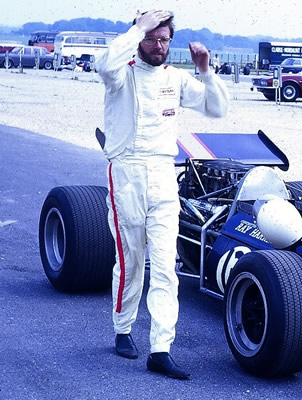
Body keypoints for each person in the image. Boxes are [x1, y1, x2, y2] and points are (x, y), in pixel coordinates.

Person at [95, 10, 229, 380]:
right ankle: (123, 329)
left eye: (164, 39)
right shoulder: (121, 72)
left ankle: (160, 348)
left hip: (163, 174)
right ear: (139, 39)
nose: (159, 46)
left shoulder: (176, 78)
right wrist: (135, 28)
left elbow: (217, 108)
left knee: (166, 266)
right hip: (126, 172)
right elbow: (104, 65)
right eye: (152, 39)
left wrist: (205, 69)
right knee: (131, 261)